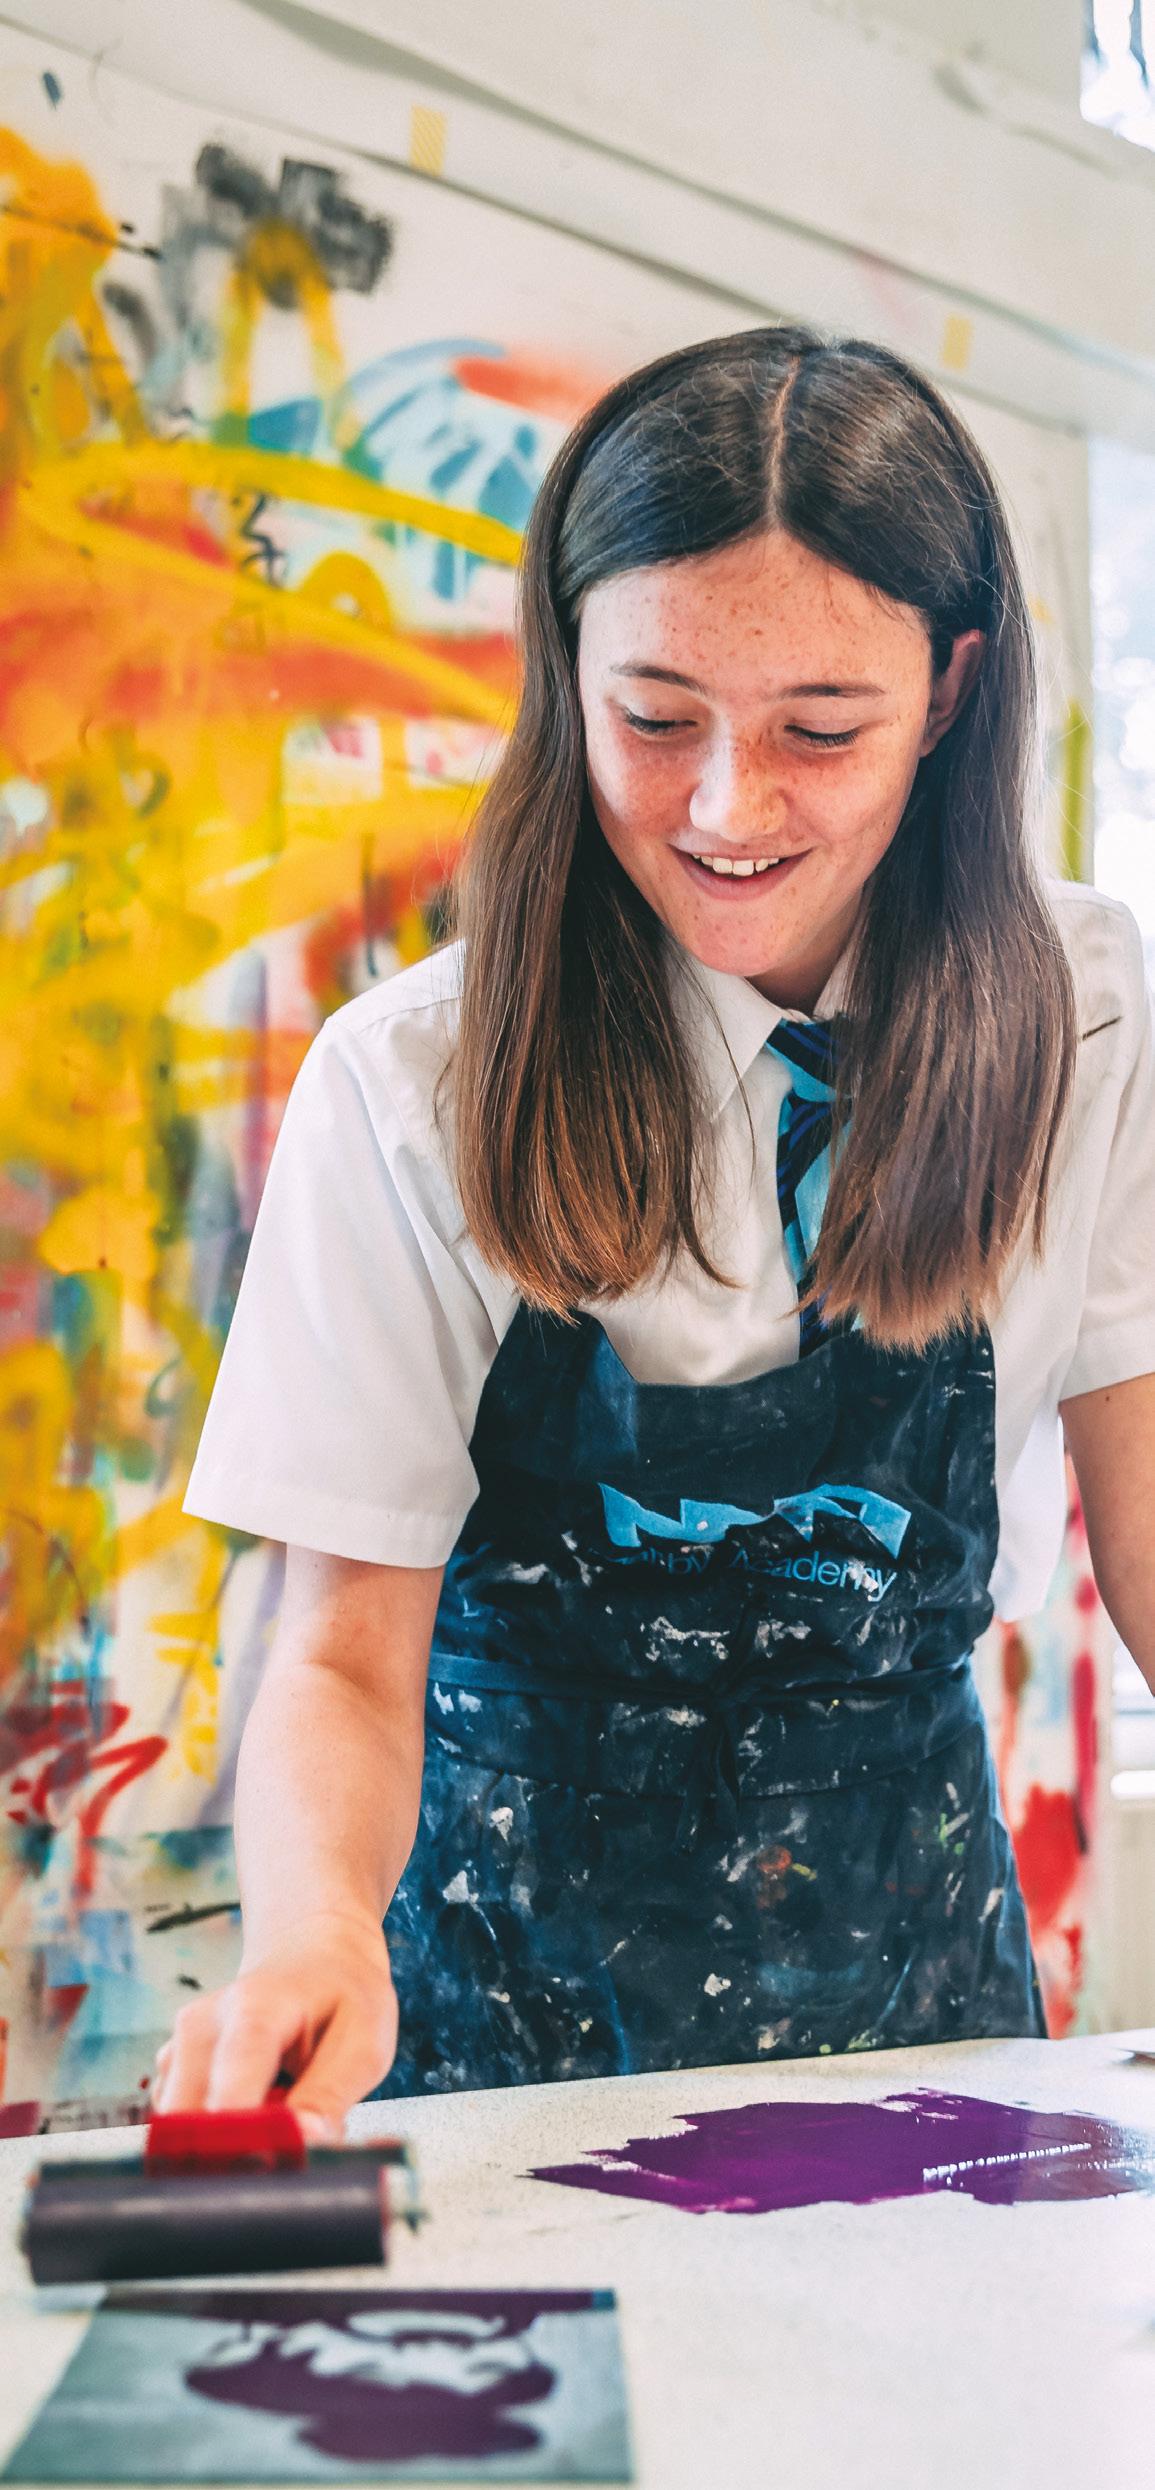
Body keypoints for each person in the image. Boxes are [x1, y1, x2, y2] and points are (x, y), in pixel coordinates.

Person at [166, 325, 1155, 2132]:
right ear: (568, 671)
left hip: (925, 2036)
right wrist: (312, 1932)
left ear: (950, 691)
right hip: (503, 2040)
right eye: (656, 718)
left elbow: (1146, 1519)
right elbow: (343, 1653)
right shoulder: (412, 1081)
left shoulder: (1082, 1010)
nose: (726, 807)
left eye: (820, 730)